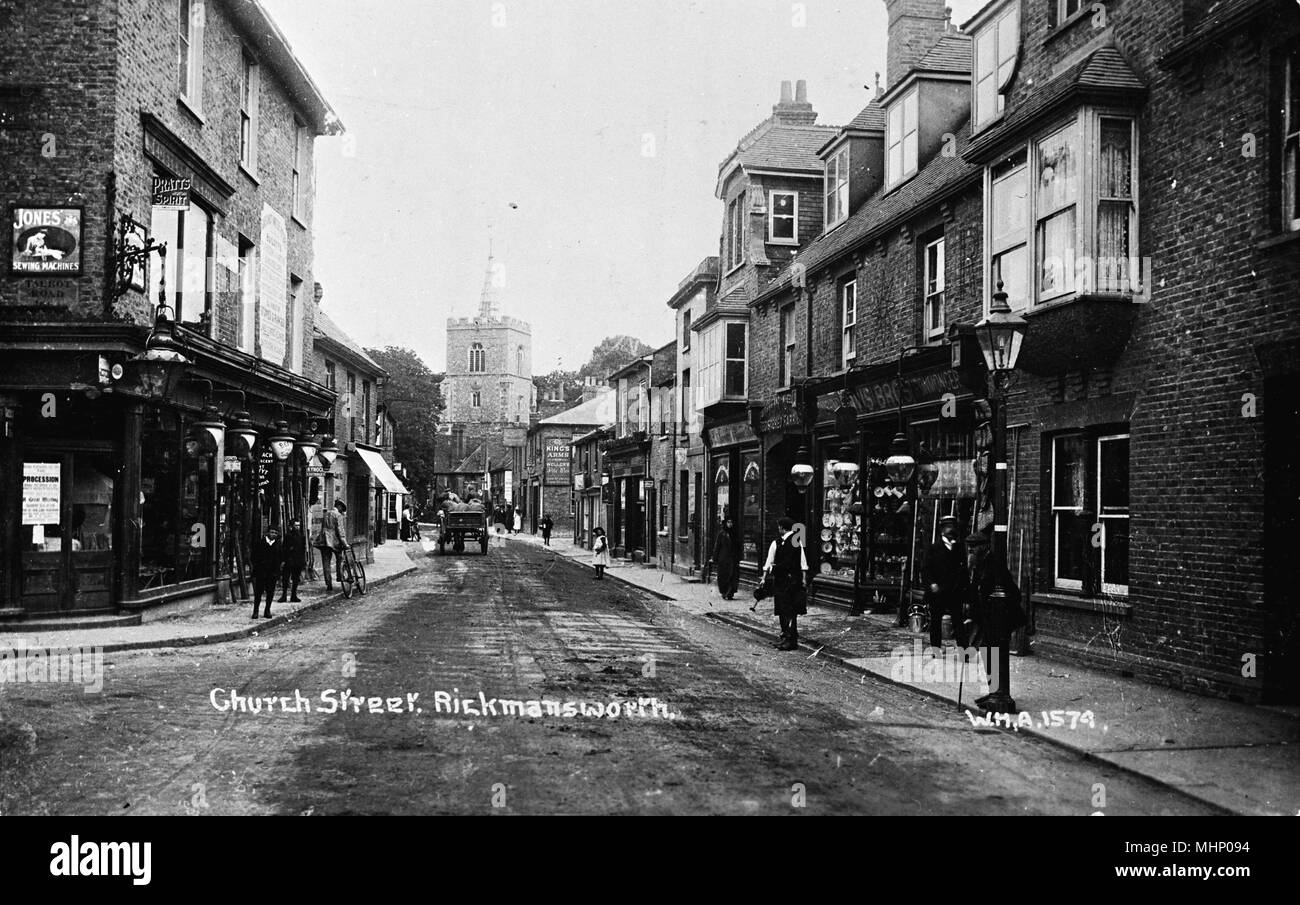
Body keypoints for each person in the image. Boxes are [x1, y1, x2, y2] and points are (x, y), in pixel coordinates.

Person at [922, 515, 970, 652]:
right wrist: (931, 584)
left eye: (953, 527)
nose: (951, 530)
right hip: (938, 592)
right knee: (936, 622)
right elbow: (925, 569)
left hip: (955, 592)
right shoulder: (933, 548)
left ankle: (964, 652)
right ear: (942, 530)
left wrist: (965, 592)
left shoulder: (959, 548)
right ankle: (936, 650)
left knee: (958, 623)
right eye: (948, 527)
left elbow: (963, 571)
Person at [763, 517, 808, 650]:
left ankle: (790, 641)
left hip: (787, 582)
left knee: (787, 609)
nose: (778, 529)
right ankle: (786, 637)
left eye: (779, 527)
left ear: (782, 528)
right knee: (785, 609)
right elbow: (802, 561)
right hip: (790, 581)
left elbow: (789, 563)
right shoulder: (793, 541)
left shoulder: (789, 541)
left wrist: (773, 568)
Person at [250, 524, 283, 619]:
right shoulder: (260, 543)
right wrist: (257, 567)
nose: (273, 534)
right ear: (267, 533)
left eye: (276, 533)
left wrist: (277, 572)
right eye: (272, 532)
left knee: (270, 593)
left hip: (272, 573)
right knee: (258, 592)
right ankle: (255, 611)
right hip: (261, 572)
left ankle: (267, 610)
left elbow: (280, 558)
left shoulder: (278, 545)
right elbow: (253, 557)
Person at [315, 499, 347, 591]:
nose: (342, 511)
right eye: (342, 509)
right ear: (339, 507)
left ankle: (328, 584)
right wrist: (345, 543)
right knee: (340, 557)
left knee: (326, 563)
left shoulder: (326, 513)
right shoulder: (338, 515)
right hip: (334, 540)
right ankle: (339, 576)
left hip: (323, 540)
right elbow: (340, 531)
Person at [279, 518, 306, 604]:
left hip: (298, 561)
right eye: (295, 525)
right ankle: (284, 595)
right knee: (285, 579)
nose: (297, 527)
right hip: (289, 561)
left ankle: (293, 595)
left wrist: (303, 561)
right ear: (291, 526)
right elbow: (284, 549)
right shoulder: (287, 537)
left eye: (298, 525)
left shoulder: (302, 537)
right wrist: (283, 560)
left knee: (296, 579)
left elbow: (303, 550)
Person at [713, 518, 740, 600]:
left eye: (731, 522)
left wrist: (738, 557)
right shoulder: (721, 534)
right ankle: (724, 592)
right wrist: (715, 558)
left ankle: (730, 593)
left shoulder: (734, 534)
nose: (730, 524)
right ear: (725, 523)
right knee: (724, 576)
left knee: (732, 576)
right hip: (723, 559)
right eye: (728, 522)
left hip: (732, 559)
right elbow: (717, 546)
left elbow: (738, 547)